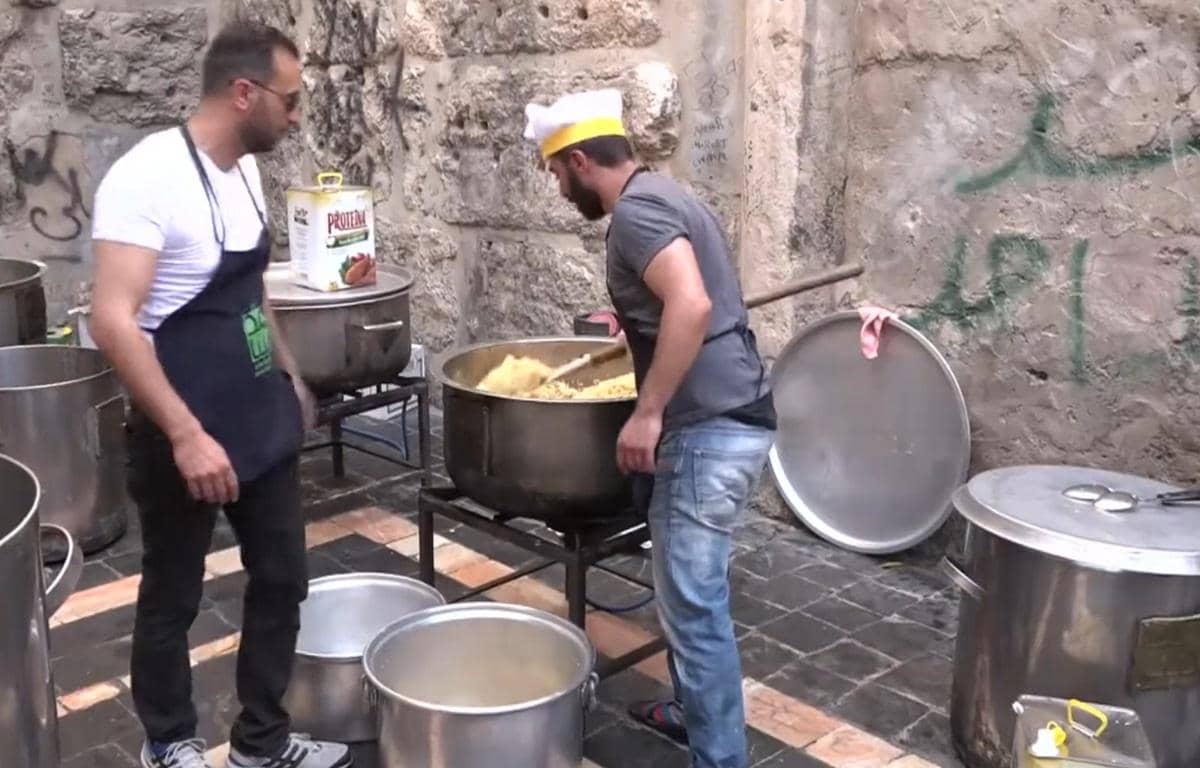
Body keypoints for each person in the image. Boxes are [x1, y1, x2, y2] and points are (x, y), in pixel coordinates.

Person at [89, 23, 350, 768]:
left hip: (258, 414)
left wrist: (289, 376)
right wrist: (185, 435)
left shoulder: (244, 171)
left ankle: (261, 744)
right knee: (172, 595)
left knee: (283, 579)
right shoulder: (146, 179)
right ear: (244, 93)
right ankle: (169, 741)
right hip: (182, 429)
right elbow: (112, 320)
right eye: (289, 100)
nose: (295, 116)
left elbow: (249, 290)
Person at [524, 89, 778, 768]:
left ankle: (719, 757)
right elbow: (681, 298)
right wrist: (633, 322)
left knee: (694, 608)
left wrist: (647, 412)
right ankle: (694, 712)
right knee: (691, 594)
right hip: (738, 412)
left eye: (557, 173)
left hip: (706, 429)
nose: (559, 189)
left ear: (581, 161)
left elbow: (691, 304)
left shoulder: (635, 215)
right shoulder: (666, 194)